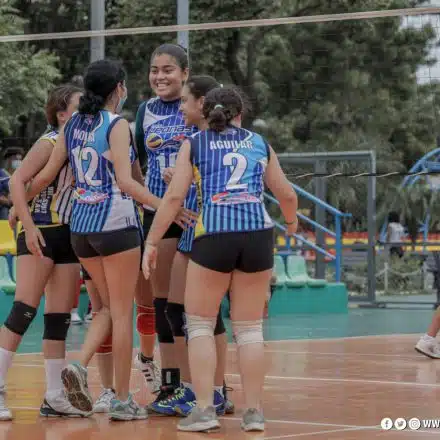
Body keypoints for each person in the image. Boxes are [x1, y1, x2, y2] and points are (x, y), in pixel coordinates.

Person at [19, 59, 193, 421]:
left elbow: (46, 175)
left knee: (107, 309)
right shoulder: (116, 125)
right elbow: (127, 183)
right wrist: (166, 207)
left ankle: (78, 365)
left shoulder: (72, 125)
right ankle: (123, 400)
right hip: (115, 226)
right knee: (123, 312)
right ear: (119, 89)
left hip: (81, 230)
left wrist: (21, 209)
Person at [142, 86, 298, 432]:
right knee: (250, 329)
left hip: (214, 232)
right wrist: (291, 222)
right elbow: (286, 193)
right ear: (239, 113)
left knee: (199, 323)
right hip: (257, 234)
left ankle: (204, 410)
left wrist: (152, 241)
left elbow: (174, 198)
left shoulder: (195, 144)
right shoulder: (259, 143)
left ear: (205, 110)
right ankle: (254, 413)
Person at [149, 75, 235, 417]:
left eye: (185, 101)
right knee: (176, 311)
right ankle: (193, 388)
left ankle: (215, 390)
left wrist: (181, 183)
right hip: (192, 231)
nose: (181, 107)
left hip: (209, 231)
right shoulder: (197, 141)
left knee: (206, 316)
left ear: (202, 103)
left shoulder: (213, 140)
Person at [2, 84, 86, 419]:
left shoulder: (81, 144)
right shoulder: (49, 141)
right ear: (62, 114)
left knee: (59, 317)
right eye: (79, 106)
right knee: (24, 309)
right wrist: (27, 222)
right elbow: (17, 181)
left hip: (67, 232)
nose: (86, 110)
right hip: (40, 229)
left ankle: (54, 395)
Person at [134, 43, 197, 406]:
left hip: (194, 215)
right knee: (163, 304)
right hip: (159, 215)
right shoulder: (145, 111)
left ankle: (207, 384)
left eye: (168, 70)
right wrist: (153, 199)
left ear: (185, 73)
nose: (160, 76)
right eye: (154, 70)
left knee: (193, 307)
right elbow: (136, 165)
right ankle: (171, 384)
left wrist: (189, 181)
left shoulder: (198, 105)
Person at [0, 147, 24, 219]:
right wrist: (8, 201)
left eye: (20, 159)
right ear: (8, 159)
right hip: (4, 208)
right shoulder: (1, 174)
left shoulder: (22, 175)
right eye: (15, 159)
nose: (18, 161)